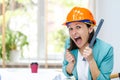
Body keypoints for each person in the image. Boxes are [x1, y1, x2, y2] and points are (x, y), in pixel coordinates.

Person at [62, 6, 114, 80]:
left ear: (90, 29)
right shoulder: (69, 44)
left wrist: (91, 60)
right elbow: (66, 73)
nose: (73, 33)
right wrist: (71, 63)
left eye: (78, 27)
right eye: (70, 28)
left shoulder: (106, 50)